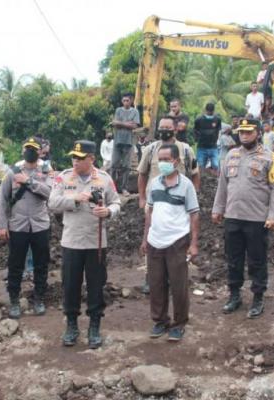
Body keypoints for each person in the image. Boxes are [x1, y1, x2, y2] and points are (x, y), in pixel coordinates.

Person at [49, 140, 121, 349]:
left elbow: (116, 202)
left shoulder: (104, 179)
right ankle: (71, 325)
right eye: (73, 157)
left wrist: (108, 211)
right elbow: (52, 203)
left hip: (95, 242)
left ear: (91, 159)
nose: (75, 161)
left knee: (96, 285)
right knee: (70, 285)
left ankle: (94, 326)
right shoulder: (63, 177)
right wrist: (76, 199)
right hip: (71, 242)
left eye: (80, 158)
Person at [212, 119, 274, 318]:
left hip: (257, 219)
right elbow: (223, 185)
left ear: (258, 133)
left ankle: (258, 298)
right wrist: (217, 209)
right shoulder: (231, 155)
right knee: (233, 259)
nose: (244, 135)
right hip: (233, 216)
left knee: (256, 260)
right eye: (241, 132)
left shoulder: (270, 157)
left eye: (248, 132)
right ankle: (234, 296)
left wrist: (273, 216)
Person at [140, 144, 199, 342]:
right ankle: (160, 321)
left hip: (177, 241)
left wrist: (193, 243)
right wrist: (145, 238)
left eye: (166, 159)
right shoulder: (155, 184)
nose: (162, 163)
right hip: (155, 241)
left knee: (178, 285)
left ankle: (179, 323)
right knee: (156, 284)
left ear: (176, 161)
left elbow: (194, 215)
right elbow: (149, 212)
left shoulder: (186, 185)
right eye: (160, 159)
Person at [138, 116, 200, 294]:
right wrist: (142, 197)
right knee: (152, 238)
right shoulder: (150, 150)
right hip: (155, 203)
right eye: (161, 127)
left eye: (167, 127)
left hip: (178, 205)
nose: (164, 130)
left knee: (178, 241)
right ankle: (151, 277)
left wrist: (193, 193)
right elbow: (142, 174)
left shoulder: (186, 150)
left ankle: (176, 277)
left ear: (175, 129)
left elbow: (195, 173)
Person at [0, 138, 52, 319]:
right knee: (15, 264)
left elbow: (50, 193)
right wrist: (2, 225)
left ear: (39, 152)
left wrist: (29, 181)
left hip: (40, 225)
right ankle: (14, 301)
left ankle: (39, 299)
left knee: (41, 264)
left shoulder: (45, 171)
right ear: (22, 151)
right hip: (17, 225)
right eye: (27, 148)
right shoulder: (12, 173)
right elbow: (3, 200)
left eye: (33, 149)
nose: (30, 151)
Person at [110, 93, 140, 194]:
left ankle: (124, 188)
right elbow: (114, 123)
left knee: (126, 166)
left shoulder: (135, 111)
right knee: (114, 164)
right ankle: (112, 187)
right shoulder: (118, 110)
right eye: (124, 100)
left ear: (131, 101)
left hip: (129, 141)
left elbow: (134, 126)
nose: (125, 102)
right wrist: (127, 124)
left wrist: (120, 123)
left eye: (127, 100)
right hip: (117, 141)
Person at [194, 103, 222, 174]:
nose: (210, 112)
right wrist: (197, 139)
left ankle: (216, 182)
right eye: (209, 111)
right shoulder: (199, 119)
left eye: (211, 111)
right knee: (200, 166)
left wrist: (216, 140)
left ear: (213, 111)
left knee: (216, 165)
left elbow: (219, 130)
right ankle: (201, 181)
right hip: (201, 147)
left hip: (213, 147)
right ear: (206, 110)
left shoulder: (217, 119)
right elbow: (195, 130)